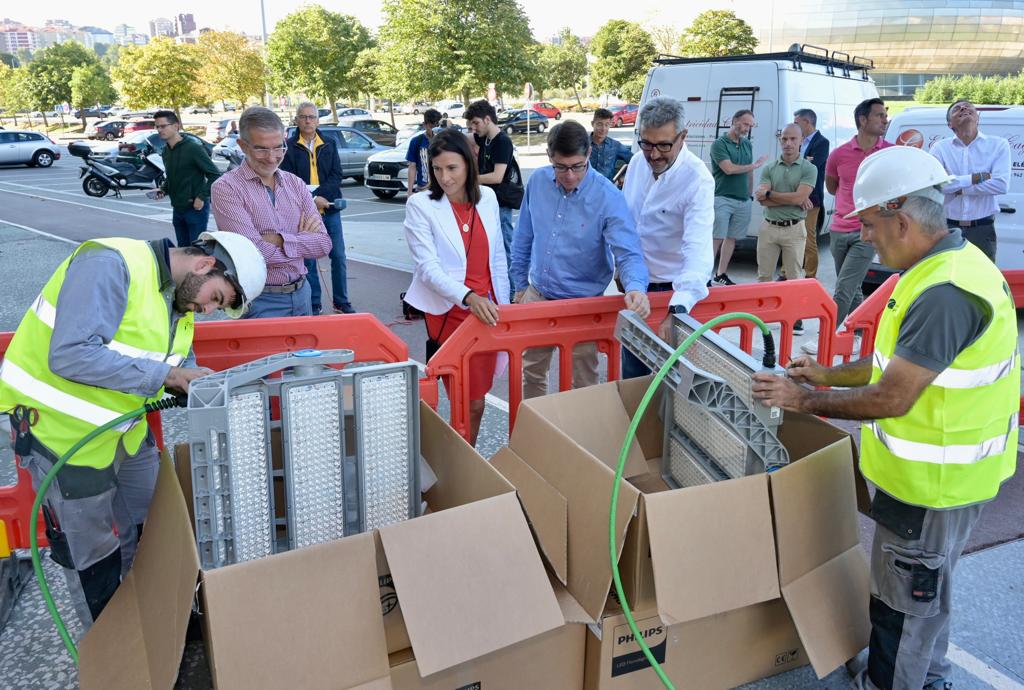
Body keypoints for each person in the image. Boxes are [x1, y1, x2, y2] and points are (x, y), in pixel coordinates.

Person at [752, 145, 1018, 690]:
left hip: (933, 488)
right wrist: (824, 374)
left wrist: (801, 400)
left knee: (902, 606)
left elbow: (893, 396)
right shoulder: (944, 268)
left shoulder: (945, 293)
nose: (864, 236)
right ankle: (931, 676)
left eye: (870, 224)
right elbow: (888, 367)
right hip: (939, 483)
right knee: (925, 593)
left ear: (902, 218)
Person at [0, 231, 266, 629]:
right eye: (216, 298)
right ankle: (114, 656)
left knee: (156, 528)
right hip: (64, 438)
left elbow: (167, 358)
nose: (208, 310)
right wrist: (171, 375)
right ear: (205, 264)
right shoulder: (110, 263)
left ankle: (160, 625)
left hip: (124, 432)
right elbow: (71, 355)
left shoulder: (180, 302)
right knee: (93, 557)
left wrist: (193, 383)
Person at [511, 120, 650, 399]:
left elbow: (628, 250)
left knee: (584, 383)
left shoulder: (607, 196)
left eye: (577, 166)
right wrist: (518, 286)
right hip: (539, 296)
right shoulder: (538, 182)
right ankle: (536, 435)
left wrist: (635, 287)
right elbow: (523, 236)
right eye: (561, 167)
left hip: (583, 305)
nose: (570, 176)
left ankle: (579, 438)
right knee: (532, 372)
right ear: (550, 157)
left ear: (588, 155)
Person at [403, 129, 509, 445]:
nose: (445, 177)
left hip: (486, 311)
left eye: (452, 168)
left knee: (477, 400)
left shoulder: (487, 198)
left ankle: (466, 458)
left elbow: (498, 256)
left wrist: (504, 303)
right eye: (437, 169)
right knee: (462, 398)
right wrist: (467, 296)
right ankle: (457, 463)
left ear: (469, 163)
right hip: (450, 312)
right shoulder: (421, 205)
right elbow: (427, 268)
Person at [620, 97, 714, 378]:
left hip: (676, 292)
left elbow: (698, 250)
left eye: (663, 145)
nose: (654, 155)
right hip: (638, 288)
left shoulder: (698, 179)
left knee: (676, 384)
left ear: (683, 137)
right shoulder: (637, 162)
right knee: (635, 376)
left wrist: (678, 309)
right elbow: (627, 222)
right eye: (647, 144)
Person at [211, 106, 332, 318]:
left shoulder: (295, 183)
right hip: (259, 301)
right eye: (261, 149)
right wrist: (302, 240)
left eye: (278, 148)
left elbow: (323, 244)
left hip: (303, 294)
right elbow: (251, 254)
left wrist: (277, 240)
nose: (271, 157)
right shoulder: (226, 188)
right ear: (242, 146)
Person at [803, 98, 892, 355]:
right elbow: (832, 186)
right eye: (879, 116)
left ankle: (824, 337)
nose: (885, 120)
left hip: (869, 231)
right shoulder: (839, 154)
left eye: (885, 115)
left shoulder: (890, 152)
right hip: (839, 230)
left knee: (843, 288)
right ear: (863, 120)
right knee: (852, 290)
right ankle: (864, 333)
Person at [279, 101, 355, 315]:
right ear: (296, 120)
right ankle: (314, 303)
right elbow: (289, 179)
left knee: (338, 256)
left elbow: (336, 175)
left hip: (329, 209)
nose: (308, 121)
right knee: (310, 261)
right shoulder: (288, 147)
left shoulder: (329, 143)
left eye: (311, 117)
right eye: (303, 117)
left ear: (317, 120)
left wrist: (322, 196)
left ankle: (341, 301)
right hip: (303, 213)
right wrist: (312, 199)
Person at [930, 99, 1011, 263]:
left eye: (968, 107)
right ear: (949, 124)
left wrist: (959, 188)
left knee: (983, 281)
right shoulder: (940, 148)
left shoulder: (998, 145)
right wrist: (976, 178)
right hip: (947, 228)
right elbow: (937, 184)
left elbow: (1001, 185)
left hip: (982, 229)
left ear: (977, 118)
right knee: (946, 277)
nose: (964, 108)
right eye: (957, 109)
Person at [754, 124, 817, 292]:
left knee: (794, 278)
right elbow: (761, 200)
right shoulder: (769, 168)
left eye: (793, 139)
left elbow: (799, 197)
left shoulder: (809, 169)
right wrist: (794, 199)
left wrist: (770, 194)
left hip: (794, 229)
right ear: (780, 140)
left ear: (801, 140)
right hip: (769, 227)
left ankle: (795, 318)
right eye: (784, 139)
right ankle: (763, 316)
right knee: (764, 277)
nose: (788, 143)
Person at [709, 109, 769, 286]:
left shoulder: (747, 144)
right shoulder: (719, 144)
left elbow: (749, 173)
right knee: (716, 238)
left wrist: (749, 195)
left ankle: (721, 273)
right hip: (723, 198)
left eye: (750, 126)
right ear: (734, 121)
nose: (747, 129)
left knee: (732, 238)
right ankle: (705, 275)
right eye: (744, 124)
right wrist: (755, 164)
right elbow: (728, 169)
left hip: (743, 200)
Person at [465, 100, 521, 278]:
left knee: (505, 246)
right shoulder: (485, 138)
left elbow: (497, 176)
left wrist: (469, 179)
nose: (474, 128)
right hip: (488, 201)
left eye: (476, 123)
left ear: (487, 119)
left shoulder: (502, 142)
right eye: (471, 124)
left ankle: (513, 292)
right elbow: (464, 138)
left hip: (501, 203)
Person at [153, 109, 221, 248]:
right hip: (178, 208)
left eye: (163, 126)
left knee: (196, 252)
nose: (159, 130)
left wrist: (202, 197)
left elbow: (215, 174)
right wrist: (163, 189)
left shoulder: (193, 148)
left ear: (176, 126)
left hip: (195, 210)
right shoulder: (166, 151)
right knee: (182, 250)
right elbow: (172, 176)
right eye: (157, 126)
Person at [790, 108, 830, 280]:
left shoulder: (822, 142)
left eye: (797, 123)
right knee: (790, 236)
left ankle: (810, 276)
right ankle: (786, 272)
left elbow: (812, 168)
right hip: (793, 196)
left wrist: (799, 163)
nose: (794, 126)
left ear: (807, 122)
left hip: (811, 198)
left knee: (808, 237)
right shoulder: (797, 140)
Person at [589, 108, 633, 181]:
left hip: (606, 189)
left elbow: (634, 161)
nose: (603, 129)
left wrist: (624, 176)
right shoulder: (582, 144)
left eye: (607, 125)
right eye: (599, 124)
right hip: (585, 189)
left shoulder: (615, 146)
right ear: (592, 124)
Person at [406, 108, 442, 195]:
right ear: (424, 124)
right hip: (423, 188)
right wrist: (409, 191)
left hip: (440, 187)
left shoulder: (440, 140)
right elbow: (412, 166)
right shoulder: (416, 141)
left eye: (435, 126)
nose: (432, 130)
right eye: (430, 126)